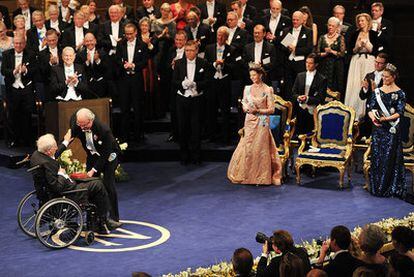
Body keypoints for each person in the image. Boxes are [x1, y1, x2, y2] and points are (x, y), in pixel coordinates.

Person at [30, 132, 119, 234]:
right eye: (55, 146)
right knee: (98, 185)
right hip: (68, 192)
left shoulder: (37, 155)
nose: (56, 148)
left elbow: (55, 155)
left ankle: (97, 220)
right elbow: (57, 187)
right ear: (49, 151)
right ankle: (103, 221)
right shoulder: (47, 164)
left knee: (93, 181)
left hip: (54, 191)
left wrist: (66, 141)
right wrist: (61, 174)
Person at [227, 65, 282, 185]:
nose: (252, 78)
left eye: (254, 75)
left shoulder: (268, 89)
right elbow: (244, 105)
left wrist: (258, 111)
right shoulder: (247, 88)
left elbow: (271, 110)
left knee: (260, 148)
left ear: (260, 75)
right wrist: (247, 108)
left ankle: (261, 177)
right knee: (249, 146)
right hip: (249, 120)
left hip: (262, 120)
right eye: (251, 75)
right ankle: (247, 175)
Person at [70, 108, 122, 226]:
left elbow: (105, 154)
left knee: (109, 185)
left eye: (84, 125)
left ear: (91, 120)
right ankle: (93, 218)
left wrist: (93, 171)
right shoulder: (78, 126)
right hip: (92, 157)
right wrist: (54, 154)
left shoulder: (104, 130)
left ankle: (114, 218)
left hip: (109, 158)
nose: (82, 128)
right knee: (90, 186)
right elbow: (68, 139)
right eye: (80, 125)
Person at [367, 64, 406, 198]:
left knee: (388, 158)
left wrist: (385, 119)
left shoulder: (400, 93)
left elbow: (400, 113)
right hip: (378, 129)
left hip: (391, 129)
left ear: (394, 77)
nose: (384, 78)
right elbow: (371, 109)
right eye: (383, 76)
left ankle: (388, 187)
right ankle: (376, 186)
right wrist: (373, 119)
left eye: (387, 77)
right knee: (377, 158)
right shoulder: (377, 92)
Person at [172, 40, 208, 164]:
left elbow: (207, 82)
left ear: (197, 51)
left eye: (192, 50)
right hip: (182, 99)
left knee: (196, 129)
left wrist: (196, 84)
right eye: (187, 50)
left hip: (197, 99)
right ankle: (184, 157)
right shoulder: (178, 63)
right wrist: (182, 84)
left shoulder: (203, 63)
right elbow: (174, 81)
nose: (189, 53)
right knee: (183, 128)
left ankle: (196, 157)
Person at [1, 35, 36, 148]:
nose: (18, 45)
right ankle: (13, 140)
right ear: (13, 44)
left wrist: (26, 70)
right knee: (12, 115)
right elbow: (3, 71)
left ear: (24, 44)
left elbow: (35, 70)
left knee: (27, 114)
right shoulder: (7, 54)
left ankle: (26, 140)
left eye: (20, 43)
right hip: (12, 88)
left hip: (26, 88)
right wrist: (13, 71)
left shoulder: (30, 54)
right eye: (16, 43)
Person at [115, 23, 148, 142]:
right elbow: (117, 59)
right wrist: (124, 65)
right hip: (124, 80)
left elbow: (144, 62)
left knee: (138, 108)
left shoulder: (142, 45)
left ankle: (139, 135)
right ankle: (125, 136)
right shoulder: (120, 44)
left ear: (135, 33)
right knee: (125, 109)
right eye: (126, 34)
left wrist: (133, 65)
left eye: (130, 34)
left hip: (136, 80)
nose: (128, 36)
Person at [205, 26, 235, 143]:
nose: (220, 37)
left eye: (222, 35)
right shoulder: (209, 48)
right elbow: (205, 64)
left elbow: (233, 67)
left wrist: (223, 65)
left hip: (224, 83)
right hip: (212, 83)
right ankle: (211, 136)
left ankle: (225, 137)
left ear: (226, 37)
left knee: (225, 111)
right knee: (211, 111)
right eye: (218, 35)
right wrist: (214, 64)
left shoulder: (232, 49)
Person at [344, 13, 377, 120]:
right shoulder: (355, 34)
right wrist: (357, 46)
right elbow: (350, 50)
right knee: (355, 84)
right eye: (359, 21)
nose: (360, 23)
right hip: (356, 61)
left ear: (368, 21)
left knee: (366, 84)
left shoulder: (373, 34)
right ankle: (353, 112)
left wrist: (366, 44)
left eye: (362, 20)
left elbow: (374, 50)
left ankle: (365, 113)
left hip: (368, 61)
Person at [281, 11, 313, 101]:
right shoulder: (287, 31)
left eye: (297, 20)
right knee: (288, 88)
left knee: (300, 89)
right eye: (293, 19)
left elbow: (309, 49)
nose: (294, 21)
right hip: (288, 64)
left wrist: (296, 49)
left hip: (300, 65)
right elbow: (282, 48)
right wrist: (288, 47)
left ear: (302, 20)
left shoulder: (308, 31)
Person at [292, 53, 327, 135]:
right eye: (306, 62)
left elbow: (321, 98)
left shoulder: (321, 79)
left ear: (316, 64)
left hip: (313, 110)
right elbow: (293, 93)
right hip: (299, 109)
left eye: (310, 63)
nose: (308, 65)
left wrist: (307, 99)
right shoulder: (300, 76)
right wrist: (299, 97)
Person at [358, 52, 388, 139]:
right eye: (376, 62)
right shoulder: (369, 75)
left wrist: (376, 91)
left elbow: (388, 96)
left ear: (385, 64)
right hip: (369, 111)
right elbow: (362, 96)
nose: (377, 64)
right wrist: (365, 89)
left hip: (382, 112)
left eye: (380, 63)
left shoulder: (388, 77)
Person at [165, 31, 187, 143]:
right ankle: (174, 133)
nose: (178, 42)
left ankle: (184, 134)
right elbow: (165, 66)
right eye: (177, 40)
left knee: (183, 111)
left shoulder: (188, 51)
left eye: (180, 40)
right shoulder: (171, 50)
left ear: (185, 41)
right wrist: (171, 65)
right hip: (173, 85)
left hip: (185, 86)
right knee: (173, 110)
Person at [316, 17, 345, 95]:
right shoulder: (322, 37)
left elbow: (342, 54)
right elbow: (317, 53)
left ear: (337, 27)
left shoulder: (340, 38)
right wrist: (325, 53)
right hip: (323, 66)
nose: (330, 27)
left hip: (336, 67)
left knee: (334, 89)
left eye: (332, 26)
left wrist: (331, 51)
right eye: (329, 25)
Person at [139, 17, 160, 119]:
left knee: (151, 87)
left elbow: (155, 51)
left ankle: (152, 113)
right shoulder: (137, 36)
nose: (144, 27)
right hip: (139, 65)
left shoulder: (153, 36)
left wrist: (148, 43)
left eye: (146, 25)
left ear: (149, 27)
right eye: (142, 25)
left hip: (150, 65)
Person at [76, 32, 108, 98]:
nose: (89, 43)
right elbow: (79, 71)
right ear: (84, 43)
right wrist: (87, 62)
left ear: (95, 41)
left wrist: (97, 60)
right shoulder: (80, 55)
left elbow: (106, 69)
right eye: (87, 41)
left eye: (91, 41)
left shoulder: (102, 52)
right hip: (87, 86)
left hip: (101, 85)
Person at [38, 29, 62, 102]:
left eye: (54, 40)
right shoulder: (42, 54)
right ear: (46, 40)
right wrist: (50, 63)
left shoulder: (63, 50)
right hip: (49, 86)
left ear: (57, 39)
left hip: (63, 84)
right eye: (49, 41)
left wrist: (58, 61)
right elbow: (42, 72)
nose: (52, 42)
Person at [0, 22, 13, 100]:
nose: (0, 33)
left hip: (13, 65)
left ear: (5, 30)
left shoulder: (13, 40)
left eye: (1, 31)